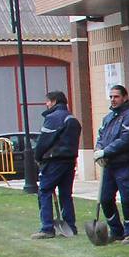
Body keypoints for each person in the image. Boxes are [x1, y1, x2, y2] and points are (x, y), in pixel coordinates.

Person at [96, 85, 129, 243]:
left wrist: (106, 151)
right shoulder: (108, 118)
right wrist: (99, 151)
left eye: (116, 96)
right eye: (111, 97)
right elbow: (101, 137)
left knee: (127, 198)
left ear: (124, 97)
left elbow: (127, 140)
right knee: (105, 198)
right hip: (109, 165)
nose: (113, 100)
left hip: (125, 163)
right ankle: (116, 231)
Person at [30, 90, 78, 239]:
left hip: (53, 161)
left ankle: (47, 228)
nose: (47, 104)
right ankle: (70, 226)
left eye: (48, 102)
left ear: (55, 101)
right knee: (66, 194)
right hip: (69, 161)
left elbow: (44, 141)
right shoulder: (73, 119)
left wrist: (37, 157)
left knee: (44, 192)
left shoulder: (53, 118)